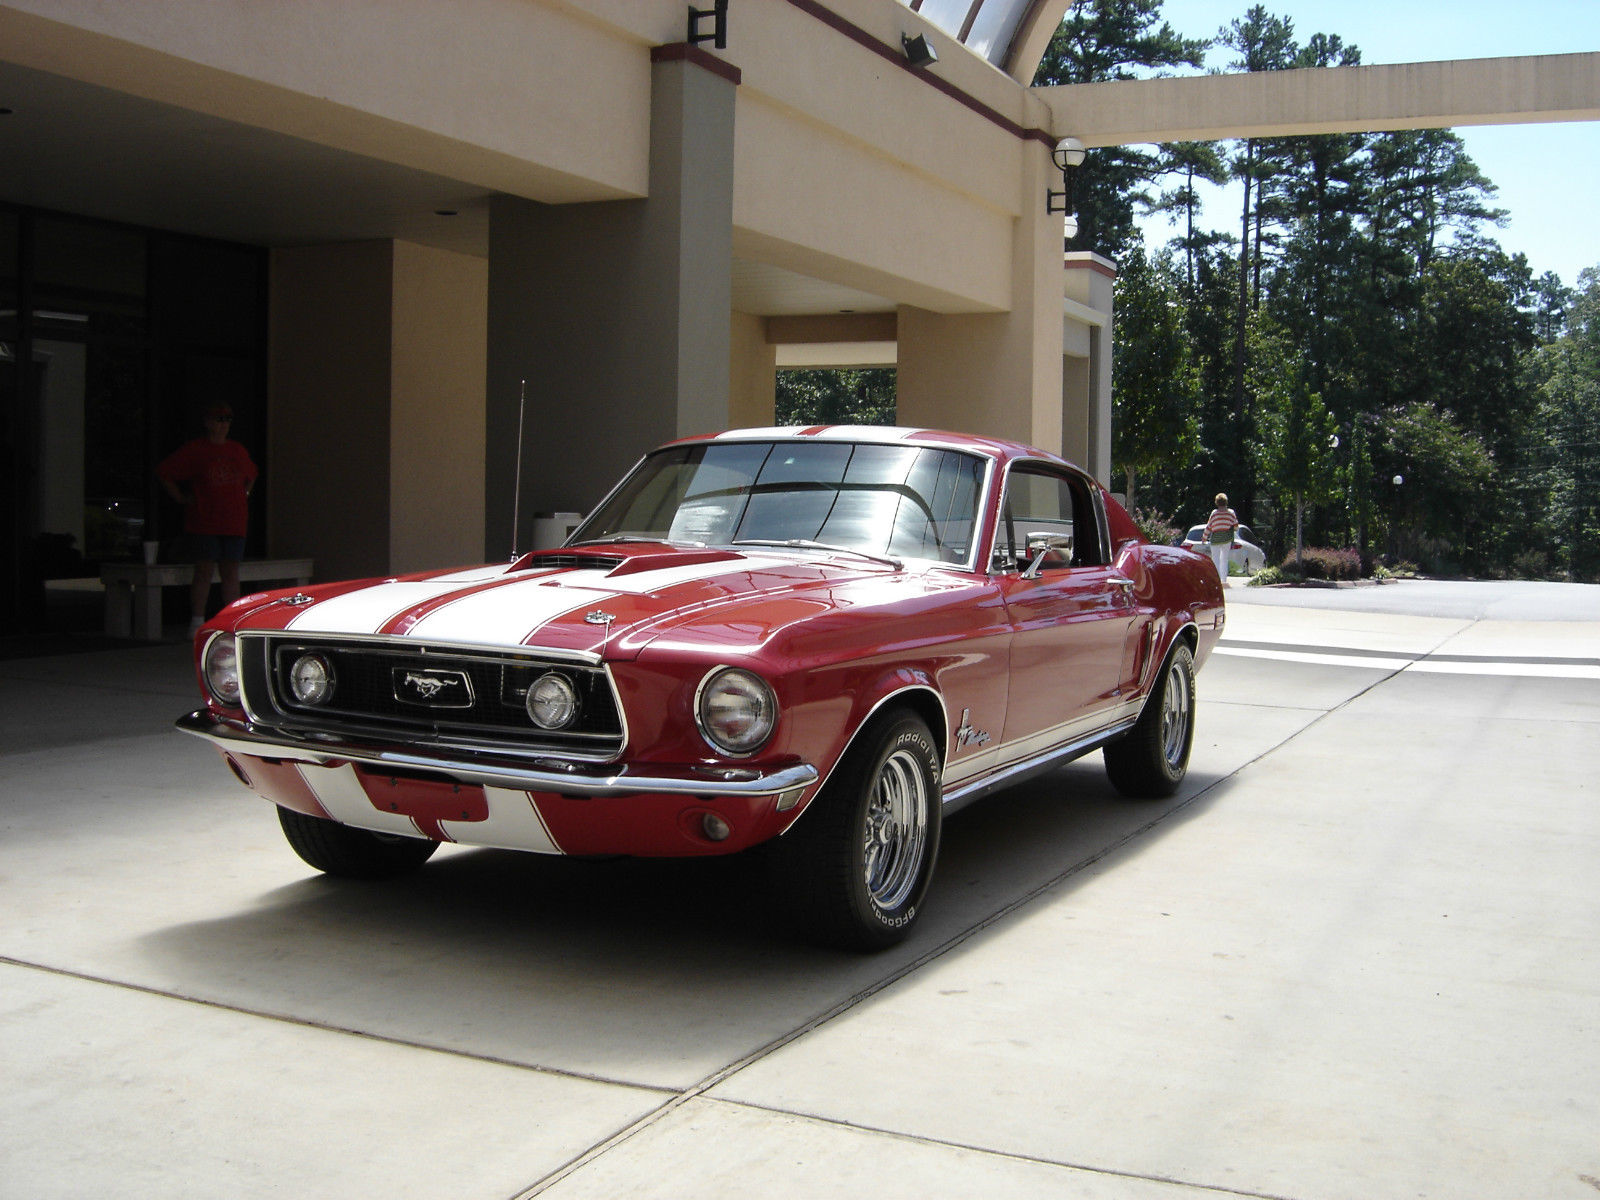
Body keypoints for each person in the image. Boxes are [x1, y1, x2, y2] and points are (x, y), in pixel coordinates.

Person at [157, 403, 258, 634]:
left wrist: (244, 494)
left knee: (230, 573)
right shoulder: (196, 449)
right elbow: (165, 472)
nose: (223, 425)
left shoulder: (237, 450)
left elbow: (252, 474)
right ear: (207, 422)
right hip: (205, 521)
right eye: (218, 419)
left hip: (234, 522)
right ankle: (197, 621)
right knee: (204, 571)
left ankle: (232, 622)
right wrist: (181, 498)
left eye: (227, 420)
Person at [1204, 492, 1239, 586]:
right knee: (1224, 559)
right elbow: (1236, 526)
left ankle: (1217, 579)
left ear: (1217, 502)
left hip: (1215, 539)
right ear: (1226, 502)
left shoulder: (1214, 513)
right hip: (1226, 539)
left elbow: (1209, 526)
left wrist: (1204, 537)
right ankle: (1224, 580)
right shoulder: (1231, 513)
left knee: (1215, 559)